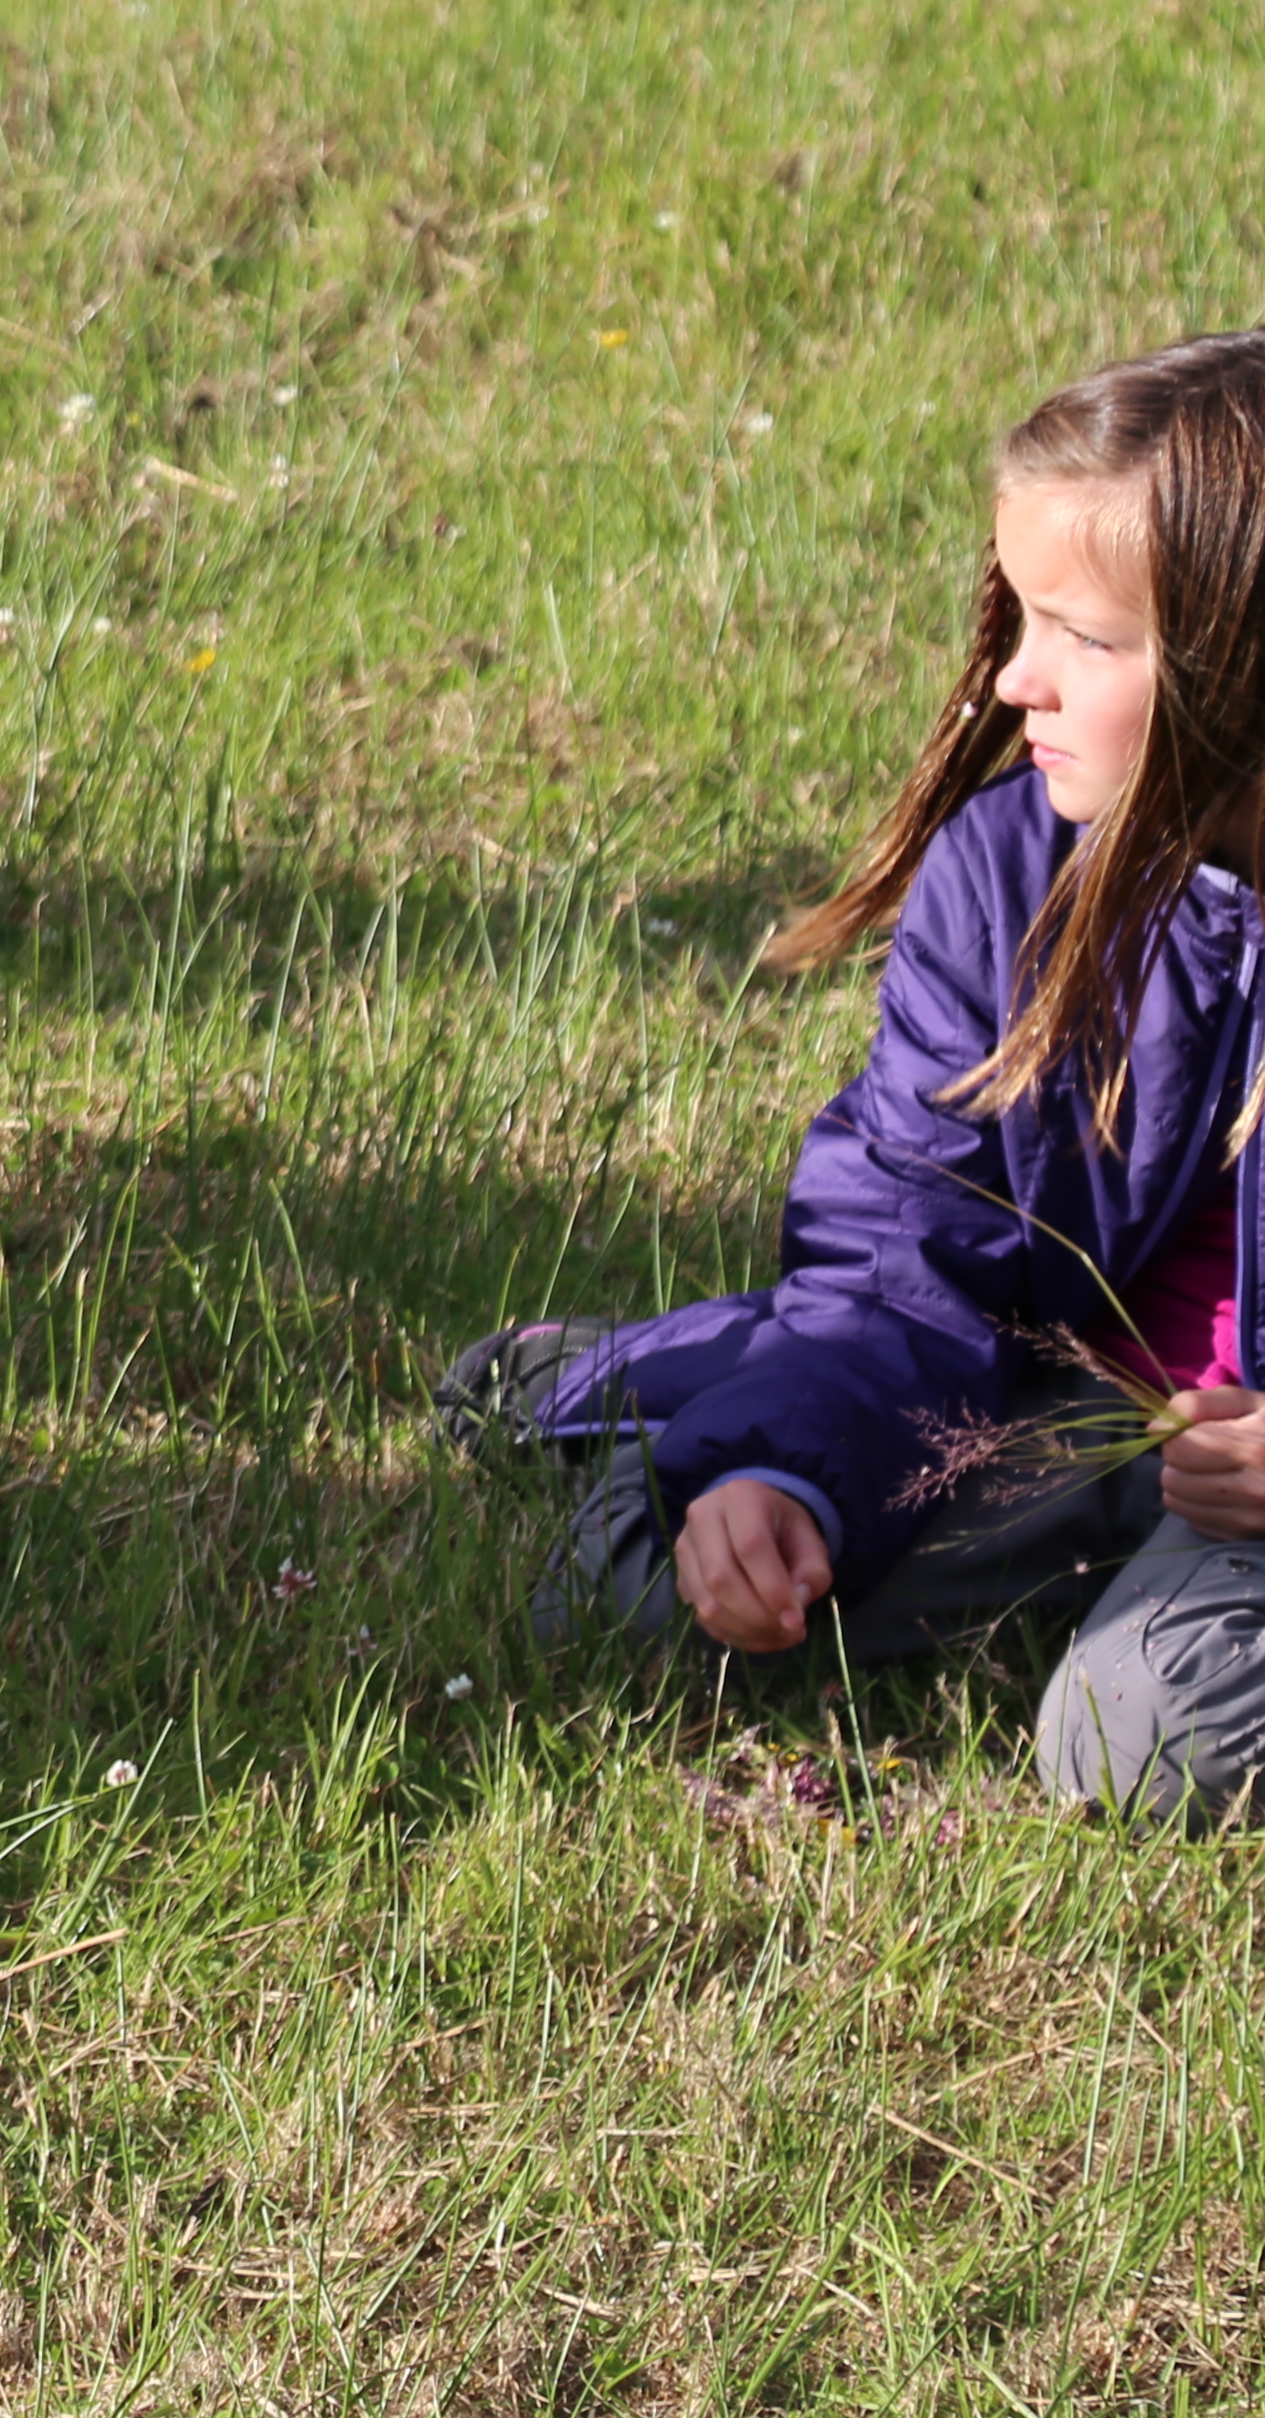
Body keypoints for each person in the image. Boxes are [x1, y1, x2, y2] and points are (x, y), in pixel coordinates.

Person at [442, 331, 1265, 1816]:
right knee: (650, 1582)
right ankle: (710, 1394)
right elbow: (911, 1247)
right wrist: (786, 1480)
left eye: (1085, 635)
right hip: (1060, 1420)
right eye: (1017, 615)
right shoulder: (1010, 875)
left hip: (1241, 1500)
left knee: (1145, 1738)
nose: (1017, 677)